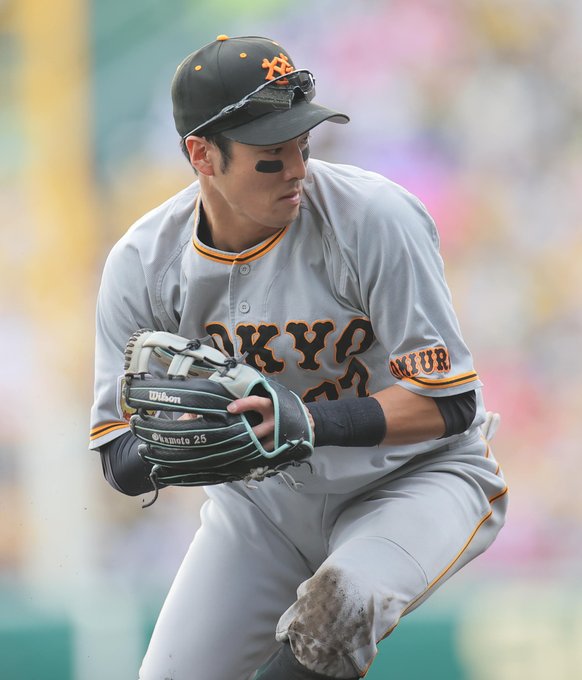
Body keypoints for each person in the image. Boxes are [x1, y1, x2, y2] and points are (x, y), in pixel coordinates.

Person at [90, 34, 508, 680]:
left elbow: (451, 403)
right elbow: (119, 459)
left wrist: (311, 423)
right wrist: (188, 438)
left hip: (413, 479)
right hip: (264, 508)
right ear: (202, 155)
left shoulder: (374, 219)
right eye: (270, 157)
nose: (296, 169)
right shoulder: (143, 263)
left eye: (302, 146)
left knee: (339, 613)